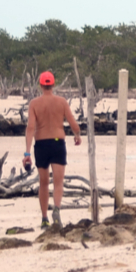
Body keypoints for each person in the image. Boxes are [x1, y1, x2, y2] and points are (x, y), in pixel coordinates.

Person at [24, 70, 81, 228]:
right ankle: (56, 209)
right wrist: (77, 135)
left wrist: (27, 153)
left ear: (41, 85)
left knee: (43, 183)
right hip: (57, 143)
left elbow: (30, 128)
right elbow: (73, 124)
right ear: (53, 84)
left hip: (41, 144)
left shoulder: (34, 104)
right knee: (58, 182)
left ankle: (44, 218)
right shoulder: (61, 102)